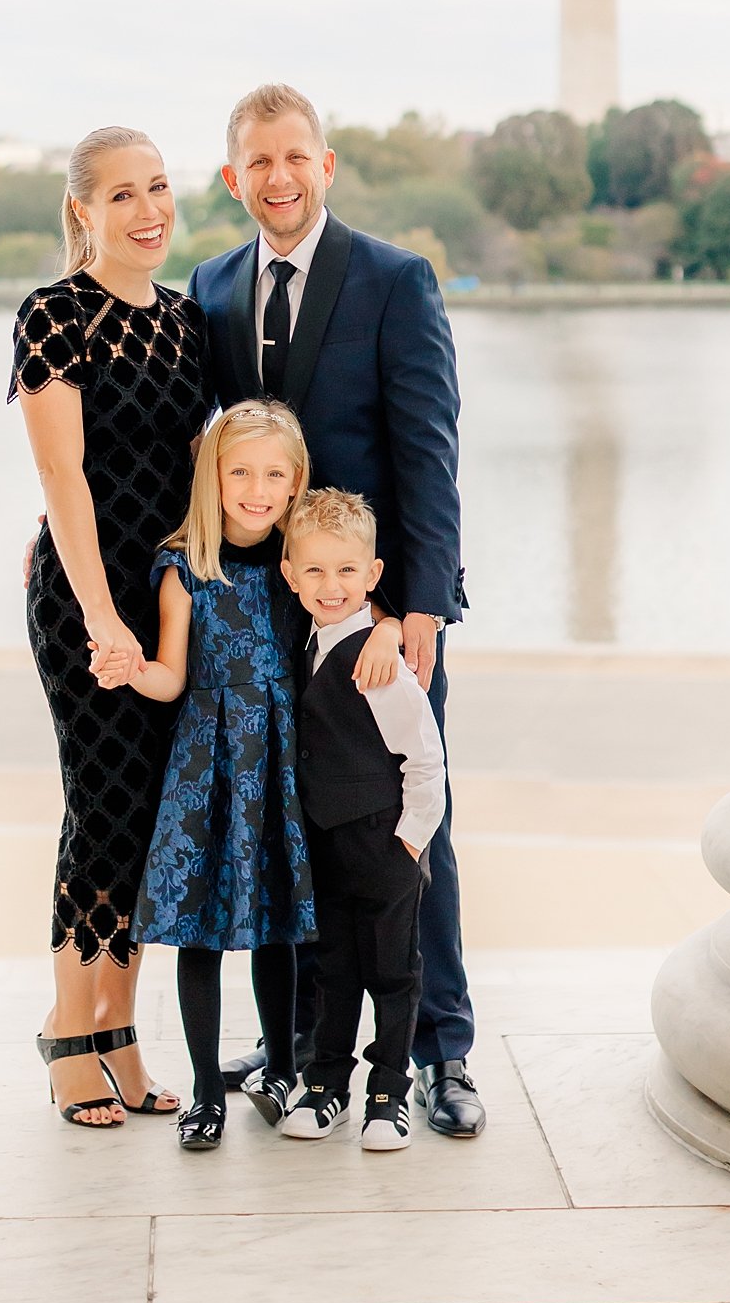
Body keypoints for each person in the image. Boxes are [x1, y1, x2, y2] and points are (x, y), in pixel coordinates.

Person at [190, 82, 484, 1139]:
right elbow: (210, 453)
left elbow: (429, 454)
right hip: (273, 622)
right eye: (258, 162)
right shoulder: (213, 284)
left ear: (327, 166)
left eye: (295, 158)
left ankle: (443, 1050)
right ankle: (305, 1045)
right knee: (297, 829)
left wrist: (422, 610)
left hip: (377, 617)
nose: (279, 178)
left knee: (412, 830)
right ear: (234, 178)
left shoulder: (395, 281)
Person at [10, 126, 211, 1128]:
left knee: (147, 819)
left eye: (160, 189)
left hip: (165, 598)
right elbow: (61, 478)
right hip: (85, 602)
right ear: (84, 211)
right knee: (100, 806)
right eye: (123, 195)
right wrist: (99, 616)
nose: (148, 213)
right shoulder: (54, 314)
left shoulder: (186, 322)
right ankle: (68, 1029)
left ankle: (123, 1031)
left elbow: (207, 469)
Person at [131, 401, 399, 1150]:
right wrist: (132, 669)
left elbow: (346, 603)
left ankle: (284, 1067)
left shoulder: (297, 565)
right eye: (240, 471)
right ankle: (204, 1094)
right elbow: (170, 676)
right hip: (209, 765)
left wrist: (384, 624)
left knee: (281, 923)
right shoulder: (185, 569)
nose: (256, 488)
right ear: (212, 476)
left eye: (273, 474)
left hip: (284, 760)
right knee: (201, 933)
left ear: (296, 482)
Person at [278, 488, 445, 1151]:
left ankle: (387, 1096)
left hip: (382, 846)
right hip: (325, 844)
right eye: (314, 570)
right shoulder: (305, 648)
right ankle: (325, 1088)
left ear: (373, 577)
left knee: (394, 975)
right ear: (290, 575)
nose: (330, 586)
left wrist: (407, 846)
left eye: (347, 571)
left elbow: (425, 762)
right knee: (335, 971)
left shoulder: (380, 665)